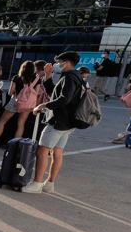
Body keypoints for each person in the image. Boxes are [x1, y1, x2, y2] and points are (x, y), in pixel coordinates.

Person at [23, 52, 86, 194]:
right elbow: (55, 93)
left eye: (60, 61)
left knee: (43, 150)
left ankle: (37, 183)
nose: (57, 64)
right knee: (57, 151)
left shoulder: (69, 77)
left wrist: (43, 106)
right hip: (68, 123)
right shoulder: (76, 77)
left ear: (67, 62)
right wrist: (48, 76)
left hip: (59, 121)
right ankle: (49, 183)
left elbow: (64, 99)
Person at [0, 61, 38, 149]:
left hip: (15, 102)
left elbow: (10, 92)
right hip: (27, 105)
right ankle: (15, 147)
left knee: (2, 122)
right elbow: (37, 92)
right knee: (21, 124)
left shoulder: (16, 77)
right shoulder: (36, 79)